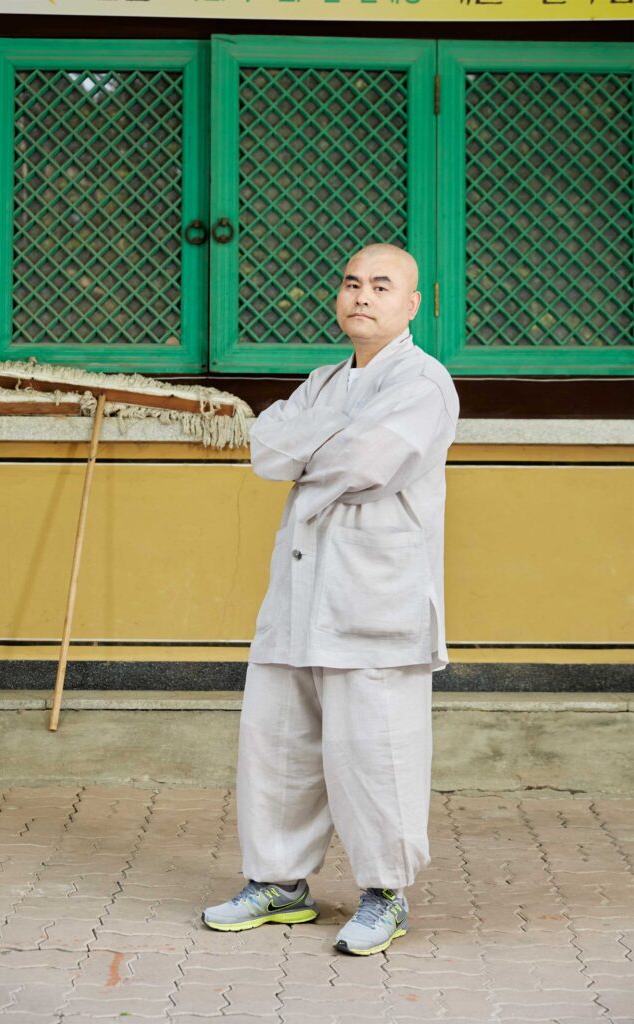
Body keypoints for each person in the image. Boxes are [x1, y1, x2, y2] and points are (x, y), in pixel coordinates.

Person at [202, 243, 459, 955]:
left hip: (374, 596)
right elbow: (265, 449)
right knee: (277, 742)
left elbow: (365, 464)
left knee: (375, 750)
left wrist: (310, 450)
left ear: (411, 304)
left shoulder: (423, 383)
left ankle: (385, 894)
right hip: (298, 590)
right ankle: (279, 882)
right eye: (351, 283)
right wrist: (321, 443)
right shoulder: (323, 381)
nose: (361, 296)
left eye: (381, 286)